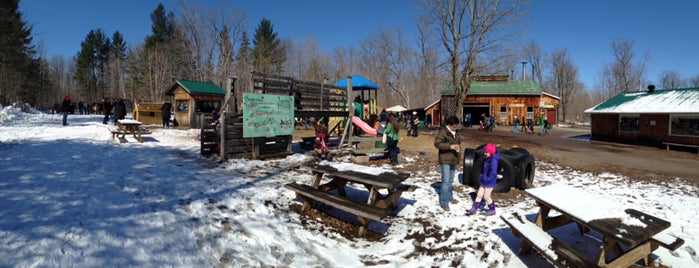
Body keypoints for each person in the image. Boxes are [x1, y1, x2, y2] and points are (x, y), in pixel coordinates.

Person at [434, 115, 461, 211]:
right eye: (454, 126)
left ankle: (449, 197)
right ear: (449, 125)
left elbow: (458, 144)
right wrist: (450, 146)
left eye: (457, 125)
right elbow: (437, 144)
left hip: (453, 158)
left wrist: (458, 157)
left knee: (450, 180)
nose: (456, 127)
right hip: (445, 159)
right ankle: (444, 202)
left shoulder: (456, 132)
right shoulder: (443, 132)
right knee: (445, 181)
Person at [467, 143, 499, 216]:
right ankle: (474, 208)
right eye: (485, 152)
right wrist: (482, 176)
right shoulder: (487, 158)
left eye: (486, 152)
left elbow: (493, 172)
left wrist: (488, 179)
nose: (485, 153)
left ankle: (492, 209)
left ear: (490, 153)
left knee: (486, 196)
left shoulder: (493, 161)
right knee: (479, 194)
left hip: (489, 182)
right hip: (484, 180)